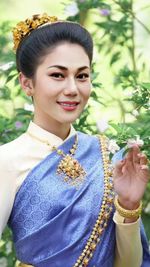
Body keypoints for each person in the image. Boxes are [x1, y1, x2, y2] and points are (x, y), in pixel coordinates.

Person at [0, 13, 150, 267]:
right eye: (58, 75)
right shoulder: (7, 161)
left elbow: (129, 264)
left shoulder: (105, 154)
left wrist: (128, 205)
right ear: (27, 83)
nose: (72, 89)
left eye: (82, 76)